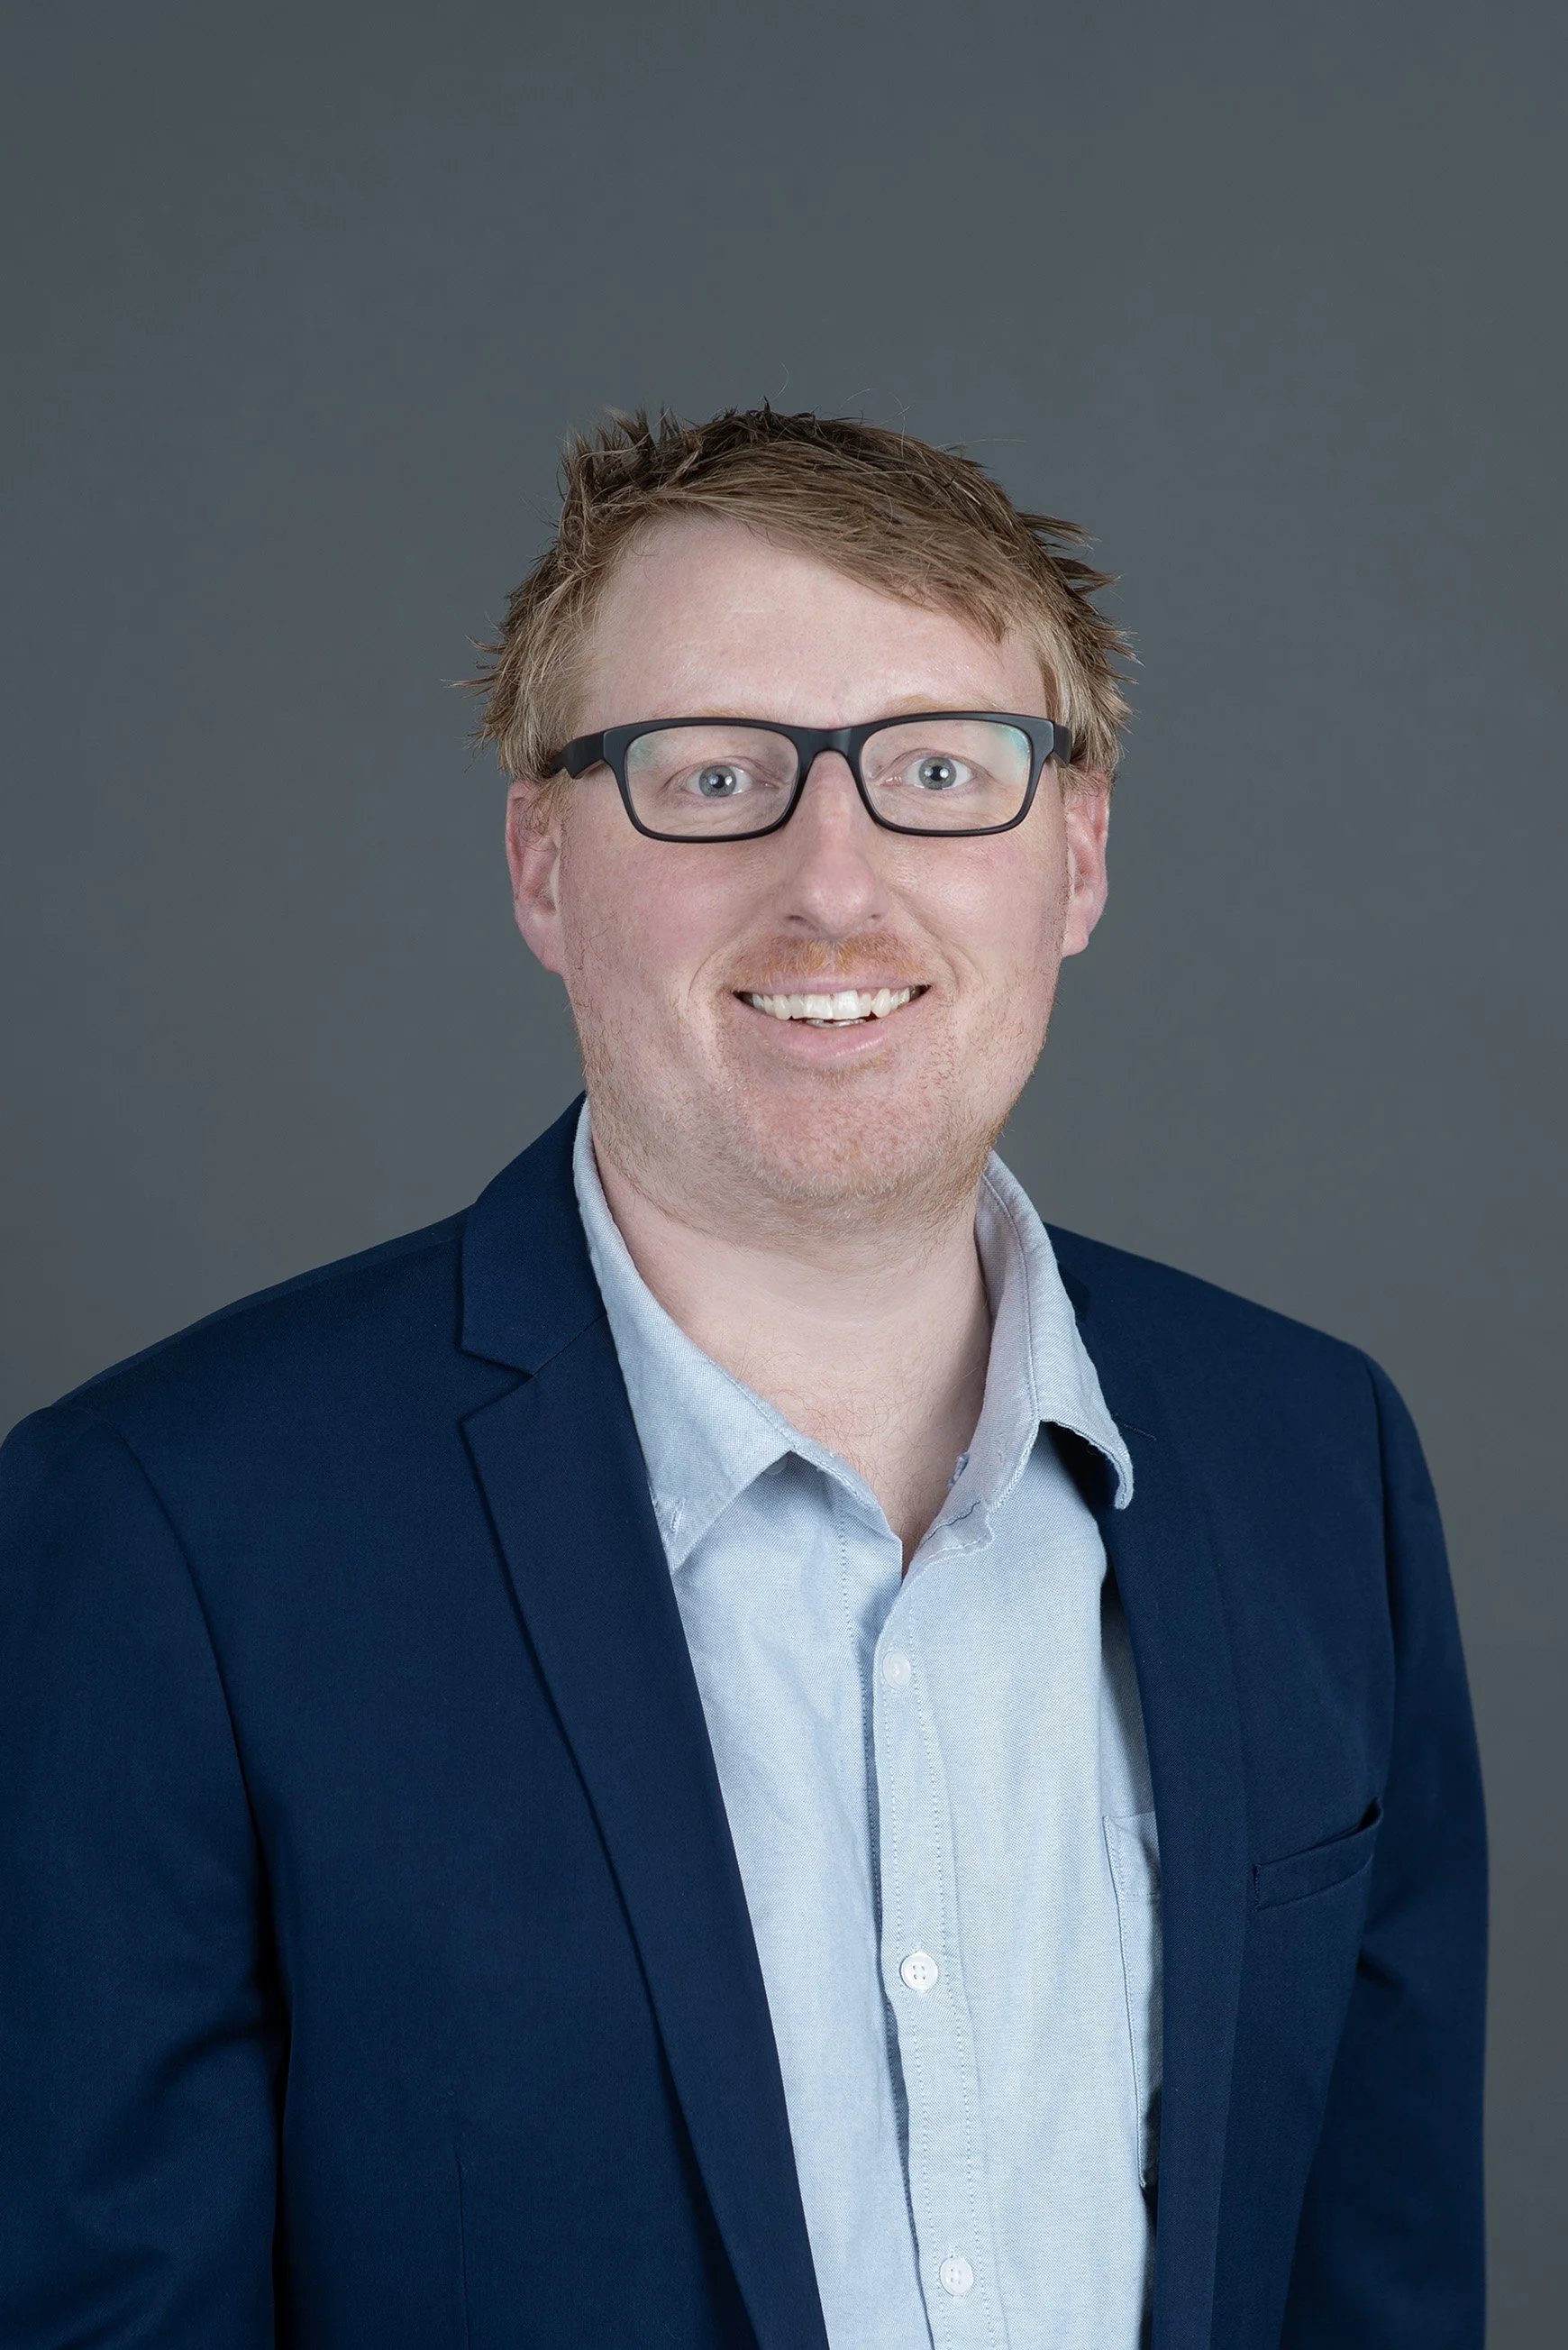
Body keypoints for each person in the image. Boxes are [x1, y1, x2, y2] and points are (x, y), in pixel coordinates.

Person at [0, 407, 1485, 2350]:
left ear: (1081, 853)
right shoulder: (168, 1531)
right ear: (543, 865)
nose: (836, 884)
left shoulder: (1319, 1463)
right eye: (713, 777)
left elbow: (1375, 2282)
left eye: (943, 770)